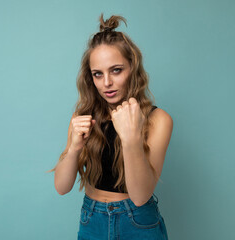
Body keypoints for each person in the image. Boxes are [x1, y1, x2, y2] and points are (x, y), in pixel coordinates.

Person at [49, 13, 173, 240]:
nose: (106, 83)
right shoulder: (82, 117)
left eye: (116, 70)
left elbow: (140, 196)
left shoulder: (158, 120)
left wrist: (131, 138)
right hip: (92, 220)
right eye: (98, 74)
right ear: (91, 78)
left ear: (132, 69)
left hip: (138, 221)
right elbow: (61, 187)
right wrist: (75, 147)